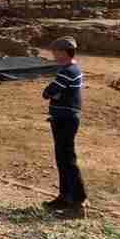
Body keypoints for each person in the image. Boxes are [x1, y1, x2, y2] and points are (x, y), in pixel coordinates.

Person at [41, 36, 87, 218]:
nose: (53, 55)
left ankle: (78, 201)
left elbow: (49, 92)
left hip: (65, 119)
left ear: (63, 52)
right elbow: (54, 93)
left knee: (67, 159)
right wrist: (55, 94)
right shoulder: (71, 69)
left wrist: (52, 93)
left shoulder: (67, 71)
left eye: (55, 52)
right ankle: (65, 196)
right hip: (62, 117)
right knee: (62, 158)